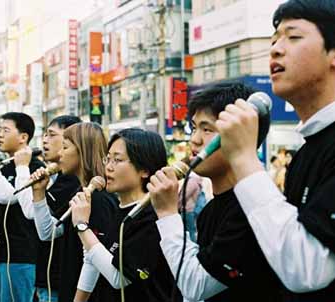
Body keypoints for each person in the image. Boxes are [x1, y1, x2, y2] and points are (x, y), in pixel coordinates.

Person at [213, 0, 335, 300]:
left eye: (293, 37)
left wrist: (243, 158)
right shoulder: (307, 151)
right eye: (274, 39)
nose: (276, 49)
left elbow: (307, 269)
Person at [148, 81, 282, 301]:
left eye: (207, 129)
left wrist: (167, 213)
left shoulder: (251, 210)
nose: (195, 140)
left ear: (242, 136)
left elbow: (196, 285)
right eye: (194, 128)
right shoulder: (211, 210)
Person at [70, 128, 182, 302]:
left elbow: (119, 278)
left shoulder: (152, 216)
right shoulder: (119, 210)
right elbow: (93, 259)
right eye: (108, 158)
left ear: (144, 169)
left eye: (118, 160)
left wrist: (82, 226)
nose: (108, 167)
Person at [30, 122, 118, 302]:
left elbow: (93, 260)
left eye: (65, 147)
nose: (60, 153)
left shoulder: (98, 199)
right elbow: (48, 232)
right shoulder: (79, 192)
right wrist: (38, 193)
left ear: (82, 151)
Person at [0, 112, 44, 302]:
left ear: (24, 137)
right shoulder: (5, 166)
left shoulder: (34, 167)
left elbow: (8, 196)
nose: (0, 135)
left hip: (21, 257)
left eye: (6, 130)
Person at [34, 115, 82, 302]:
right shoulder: (57, 177)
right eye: (44, 134)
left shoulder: (74, 182)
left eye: (52, 134)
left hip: (57, 281)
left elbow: (47, 231)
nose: (45, 140)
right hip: (47, 277)